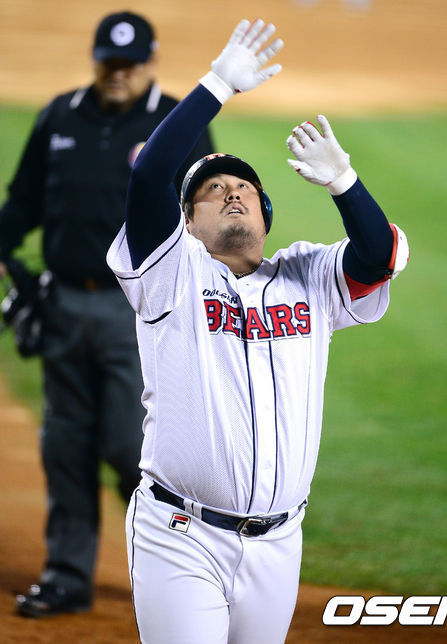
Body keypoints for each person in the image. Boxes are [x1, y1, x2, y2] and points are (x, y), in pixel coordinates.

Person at [107, 18, 409, 644]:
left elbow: (378, 256)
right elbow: (149, 177)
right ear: (187, 223)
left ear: (265, 214)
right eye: (211, 190)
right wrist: (218, 84)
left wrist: (345, 184)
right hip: (181, 537)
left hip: (279, 543)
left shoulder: (309, 275)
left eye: (243, 186)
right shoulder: (171, 274)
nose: (232, 193)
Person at [0, 11, 214, 618]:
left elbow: (201, 220)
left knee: (129, 444)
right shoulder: (60, 116)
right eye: (109, 62)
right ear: (96, 60)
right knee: (65, 444)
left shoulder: (177, 123)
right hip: (64, 304)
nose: (118, 73)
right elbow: (23, 201)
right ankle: (67, 575)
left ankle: (180, 562)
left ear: (150, 61)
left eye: (130, 63)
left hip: (138, 314)